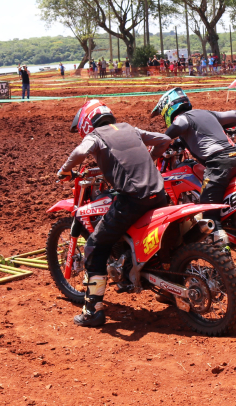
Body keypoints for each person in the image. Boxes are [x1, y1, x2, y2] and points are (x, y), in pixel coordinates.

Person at [57, 99, 171, 327]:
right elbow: (165, 140)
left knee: (96, 244)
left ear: (87, 122)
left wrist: (64, 170)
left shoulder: (96, 136)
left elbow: (80, 151)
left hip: (133, 200)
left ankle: (93, 311)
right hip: (159, 195)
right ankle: (166, 287)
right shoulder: (130, 129)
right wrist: (148, 160)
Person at [152, 88, 236, 243]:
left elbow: (178, 126)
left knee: (208, 211)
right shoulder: (207, 113)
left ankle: (221, 250)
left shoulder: (183, 118)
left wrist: (162, 139)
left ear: (168, 109)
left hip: (219, 165)